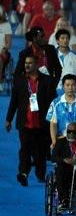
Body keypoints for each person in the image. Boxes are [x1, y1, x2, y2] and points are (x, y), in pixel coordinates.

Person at [5, 54, 56, 186]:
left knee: (41, 152)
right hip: (25, 122)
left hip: (41, 123)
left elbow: (53, 102)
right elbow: (14, 101)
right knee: (25, 150)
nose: (27, 65)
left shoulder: (47, 80)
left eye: (30, 63)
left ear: (36, 65)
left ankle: (40, 174)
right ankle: (23, 173)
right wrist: (8, 119)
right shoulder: (20, 80)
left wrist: (54, 121)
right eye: (26, 63)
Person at [46, 74, 76, 148]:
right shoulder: (55, 103)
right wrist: (54, 142)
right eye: (67, 85)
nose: (70, 88)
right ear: (63, 86)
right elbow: (53, 124)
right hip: (62, 140)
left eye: (73, 85)